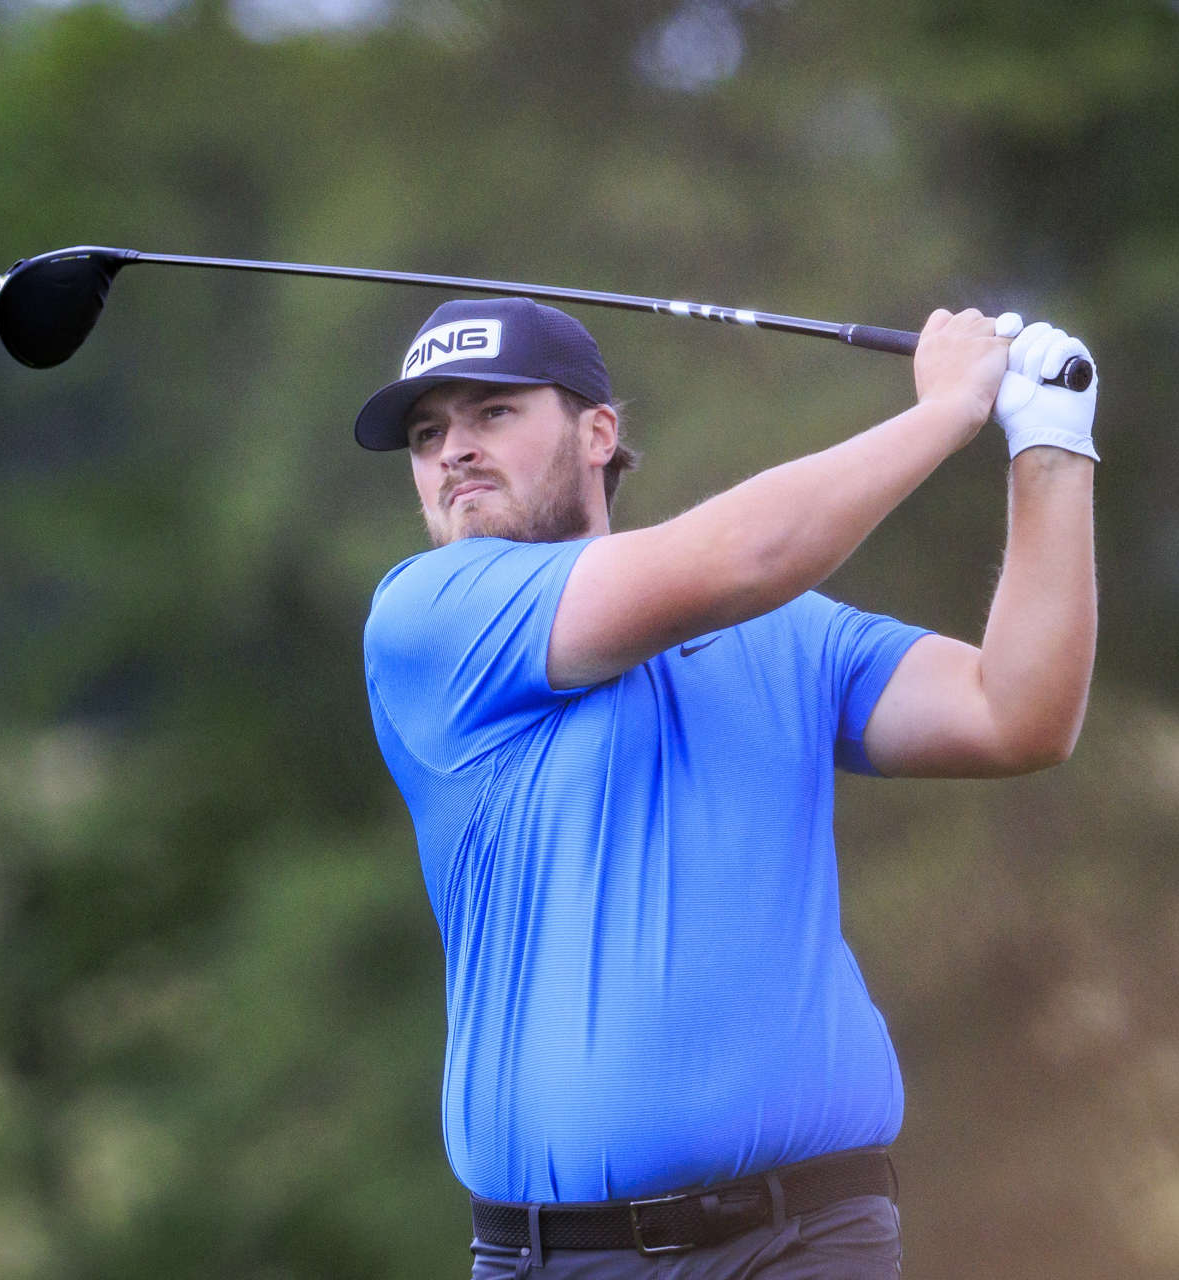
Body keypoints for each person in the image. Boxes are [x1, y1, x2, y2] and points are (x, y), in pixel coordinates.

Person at [356, 294, 1098, 1278]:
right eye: (426, 432)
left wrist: (1049, 444)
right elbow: (744, 556)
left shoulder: (784, 628)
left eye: (492, 413)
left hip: (814, 1234)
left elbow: (1019, 714)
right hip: (570, 1258)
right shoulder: (430, 618)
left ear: (597, 432)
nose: (452, 449)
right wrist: (946, 409)